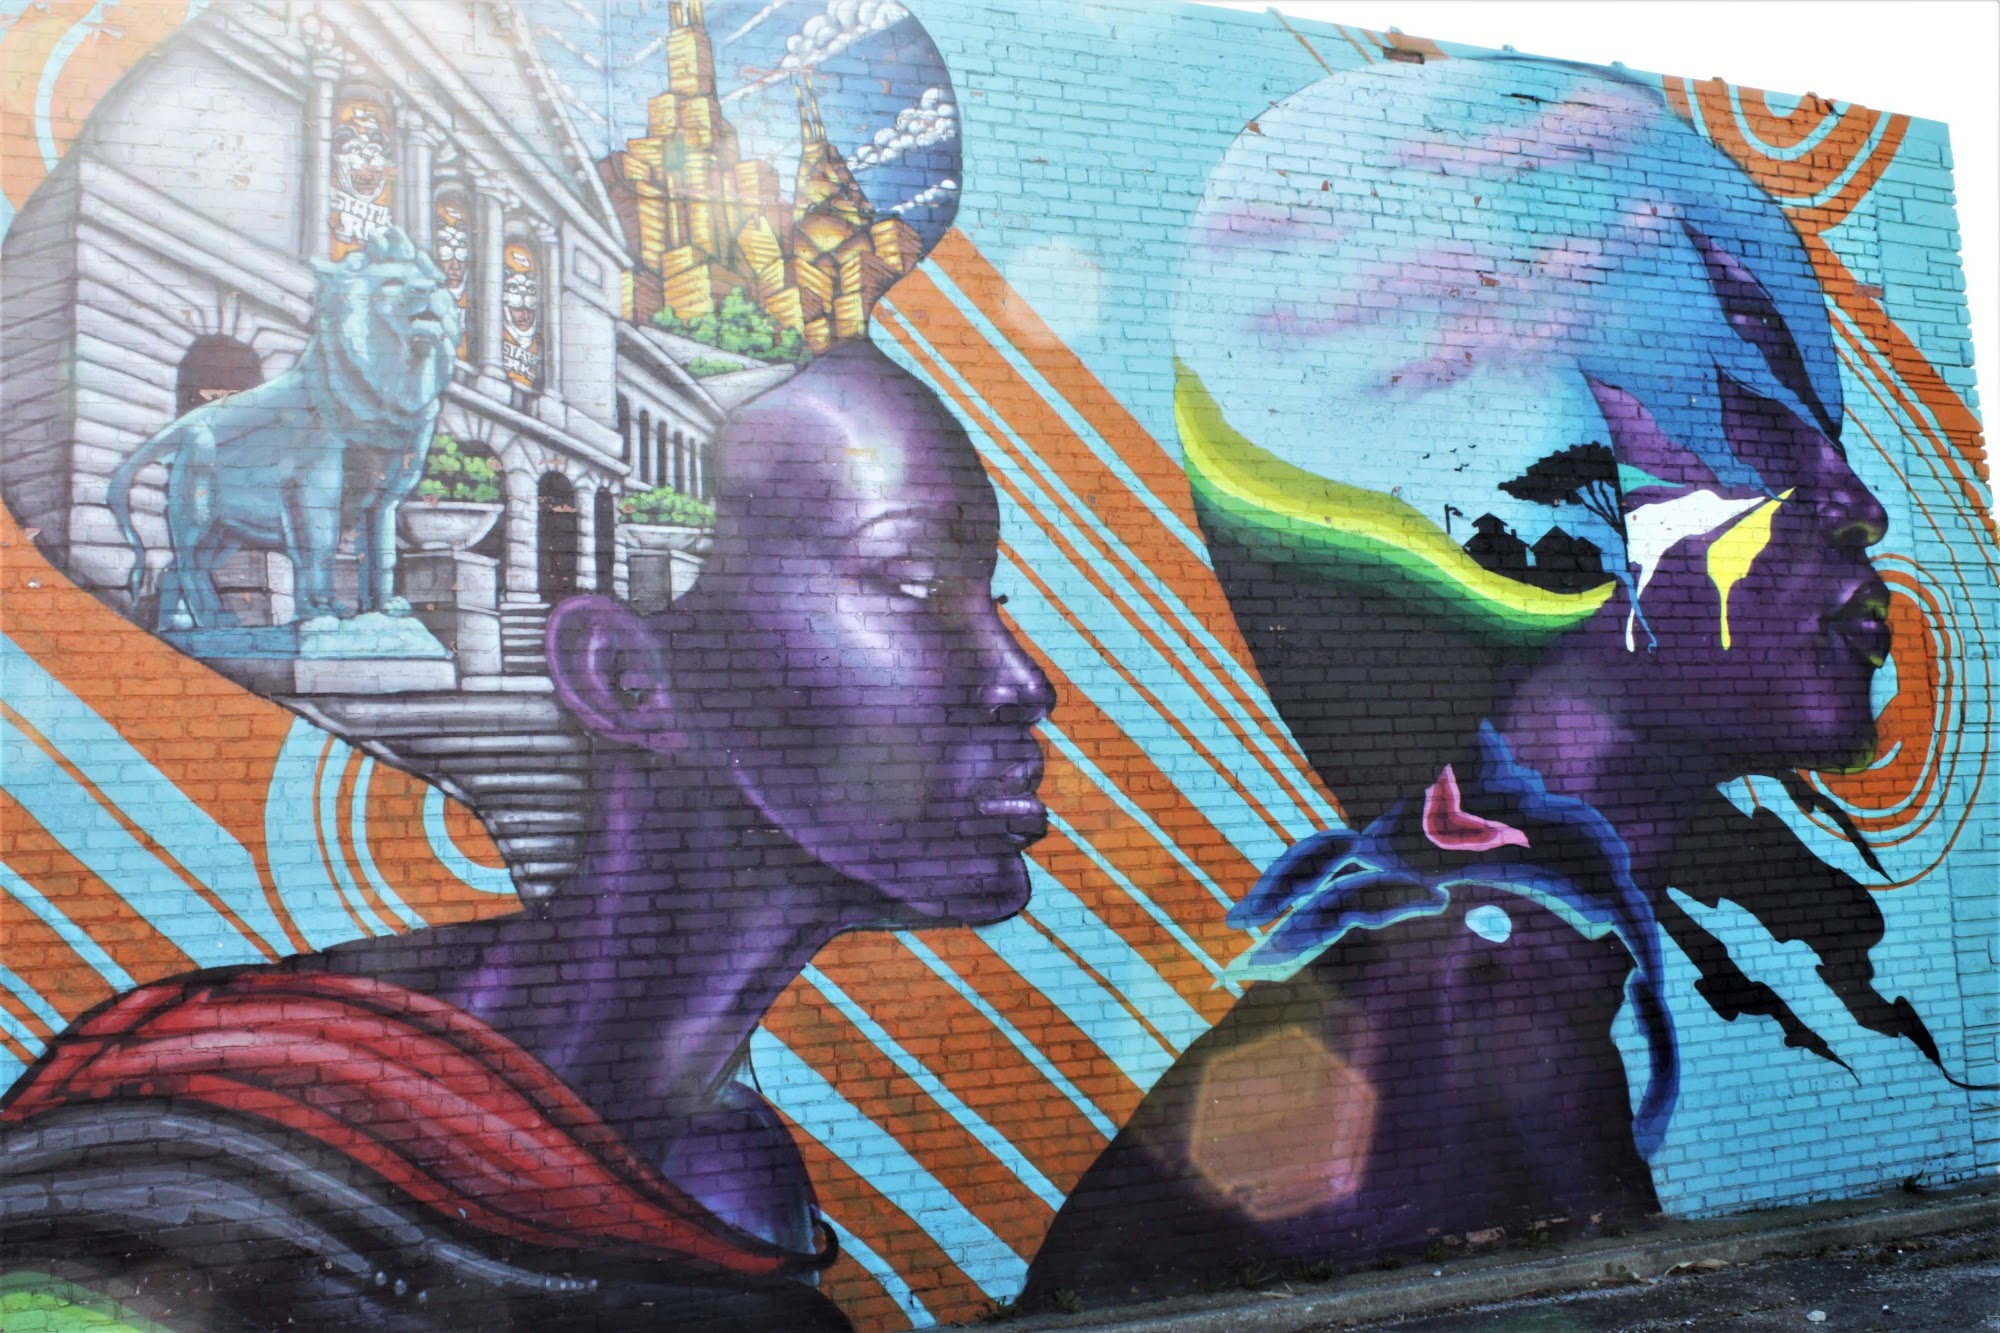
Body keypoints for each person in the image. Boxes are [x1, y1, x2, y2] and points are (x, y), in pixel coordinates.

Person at [1022, 55, 1960, 1305]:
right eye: (1748, 431)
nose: (1854, 502)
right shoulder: (1460, 1021)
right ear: (1507, 501)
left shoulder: (1495, 967)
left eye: (1818, 429)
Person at [0, 340, 1055, 1331]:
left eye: (991, 599)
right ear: (627, 678)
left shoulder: (728, 1166)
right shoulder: (201, 1147)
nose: (1022, 681)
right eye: (913, 582)